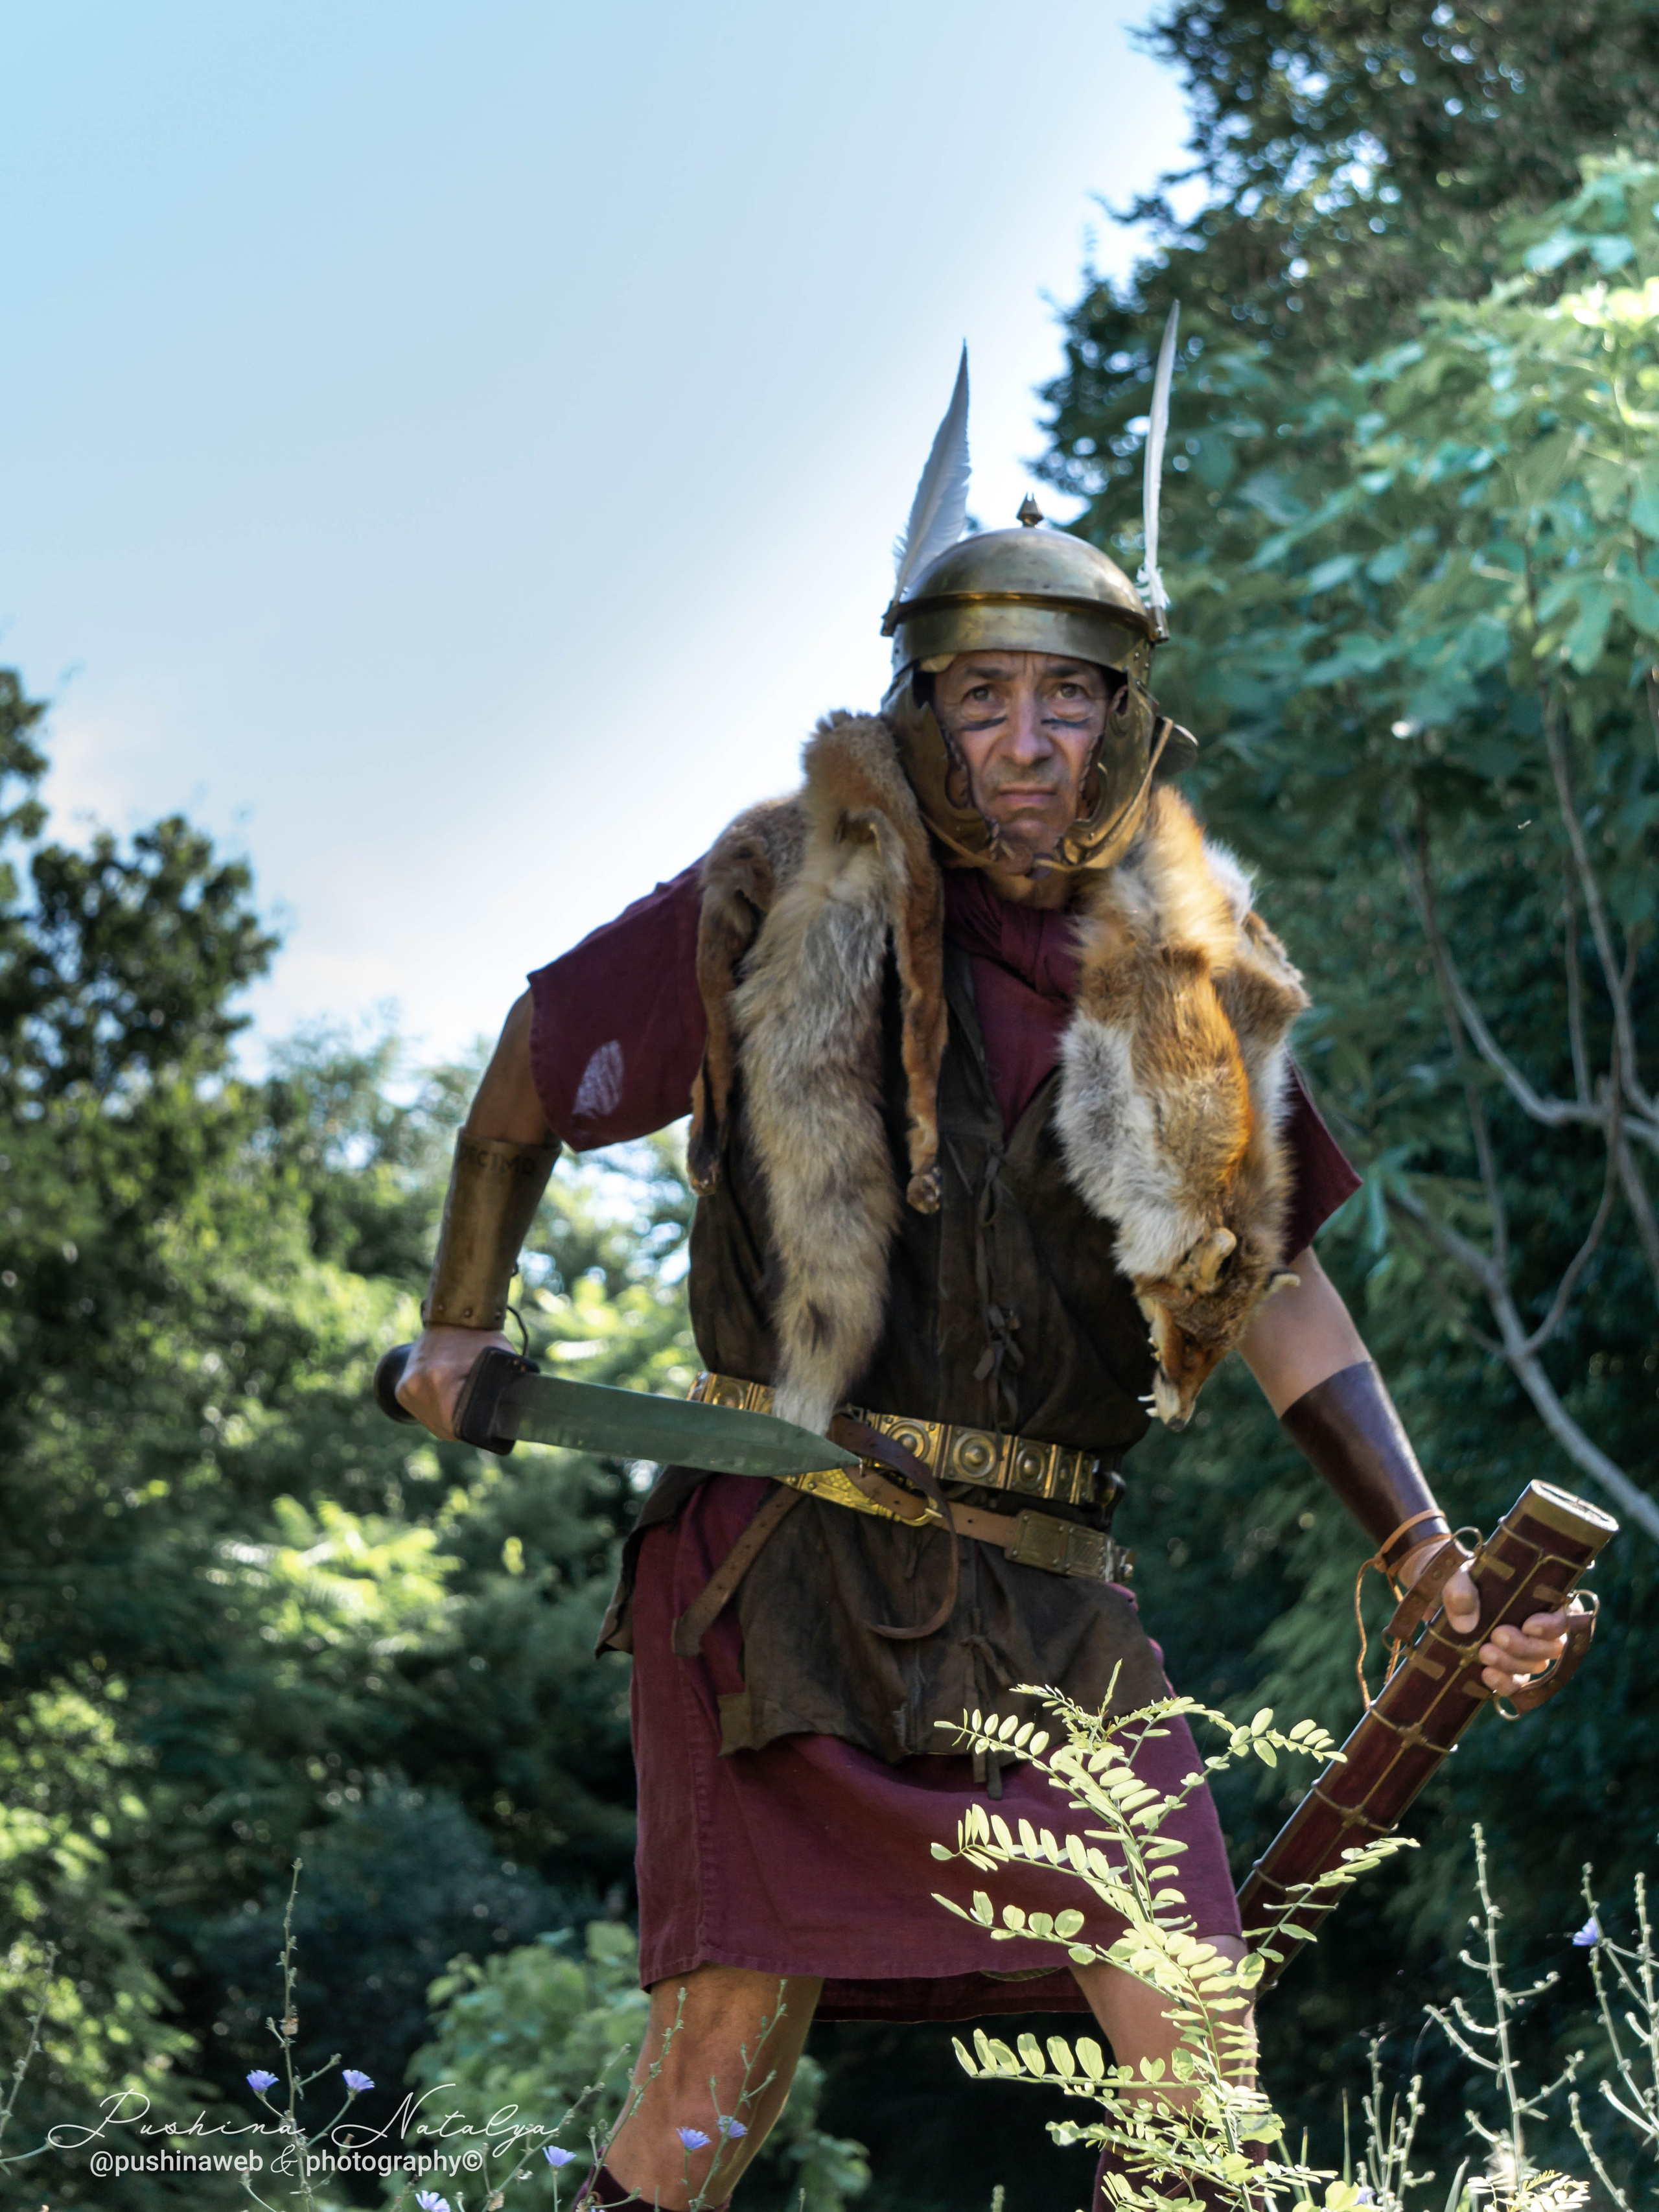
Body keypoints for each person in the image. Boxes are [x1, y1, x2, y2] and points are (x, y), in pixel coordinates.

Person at [394, 371, 1569, 2211]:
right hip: (786, 1565)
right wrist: (462, 1319)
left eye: (1069, 696)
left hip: (1048, 1595)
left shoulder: (1179, 971)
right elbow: (535, 1070)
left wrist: (1425, 1553)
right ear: (920, 708)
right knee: (716, 2071)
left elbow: (1272, 1287)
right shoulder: (780, 888)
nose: (1029, 739)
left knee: (1198, 2052)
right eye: (984, 693)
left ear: (1126, 716)